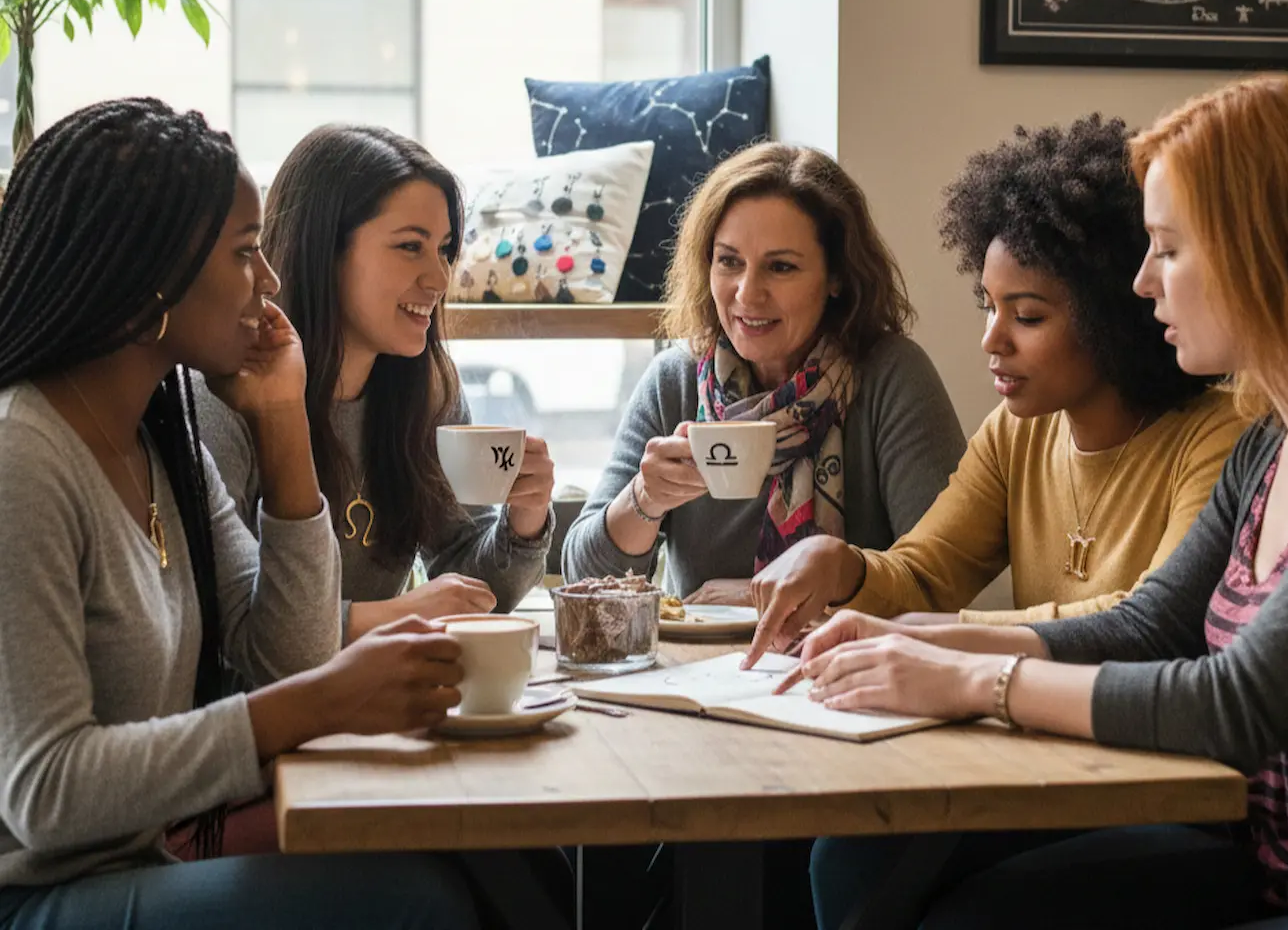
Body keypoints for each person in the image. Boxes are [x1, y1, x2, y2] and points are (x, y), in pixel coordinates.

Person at [800, 78, 1288, 930]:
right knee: (896, 873)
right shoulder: (1274, 435)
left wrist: (975, 679)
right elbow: (1151, 625)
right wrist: (909, 635)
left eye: (1169, 248)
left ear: (1266, 248)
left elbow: (1240, 702)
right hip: (1245, 855)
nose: (1144, 282)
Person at [0, 100, 496, 929]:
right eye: (243, 254)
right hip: (33, 896)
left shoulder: (161, 443)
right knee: (413, 901)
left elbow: (284, 659)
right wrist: (322, 702)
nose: (269, 281)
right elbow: (45, 792)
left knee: (481, 866)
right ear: (148, 271)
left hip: (134, 862)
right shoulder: (24, 456)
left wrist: (282, 420)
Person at [747, 115, 1243, 661]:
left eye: (1027, 316)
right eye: (989, 306)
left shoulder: (1219, 437)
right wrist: (845, 565)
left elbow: (1146, 622)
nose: (992, 340)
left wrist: (933, 634)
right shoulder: (1015, 433)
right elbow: (925, 573)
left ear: (1115, 319)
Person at [562, 141, 965, 605]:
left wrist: (759, 596)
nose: (747, 294)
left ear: (836, 277)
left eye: (780, 267)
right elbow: (582, 578)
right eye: (729, 261)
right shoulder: (675, 380)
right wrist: (644, 499)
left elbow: (943, 581)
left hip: (849, 668)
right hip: (693, 674)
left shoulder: (890, 377)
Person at [195, 126, 554, 645]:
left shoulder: (429, 392)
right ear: (325, 250)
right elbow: (237, 629)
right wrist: (398, 615)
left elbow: (472, 591)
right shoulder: (226, 398)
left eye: (444, 249)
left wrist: (524, 522)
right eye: (410, 246)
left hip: (375, 704)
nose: (439, 278)